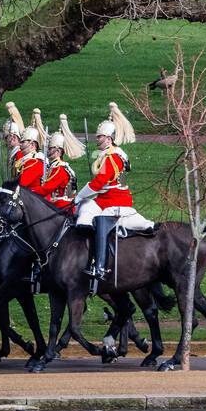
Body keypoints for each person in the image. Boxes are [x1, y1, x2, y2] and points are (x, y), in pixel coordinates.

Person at [75, 102, 139, 280]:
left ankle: (100, 266)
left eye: (100, 137)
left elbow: (99, 182)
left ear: (109, 139)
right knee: (84, 210)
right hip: (106, 197)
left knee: (92, 215)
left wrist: (79, 196)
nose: (97, 139)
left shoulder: (113, 158)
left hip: (115, 201)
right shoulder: (108, 155)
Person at [42, 114, 85, 209]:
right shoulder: (55, 166)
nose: (48, 151)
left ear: (57, 151)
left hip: (62, 207)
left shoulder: (59, 168)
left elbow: (46, 189)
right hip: (57, 205)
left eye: (50, 148)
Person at [15, 125, 47, 191]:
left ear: (32, 144)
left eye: (23, 142)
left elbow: (22, 183)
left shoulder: (35, 162)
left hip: (34, 198)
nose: (20, 145)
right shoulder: (27, 159)